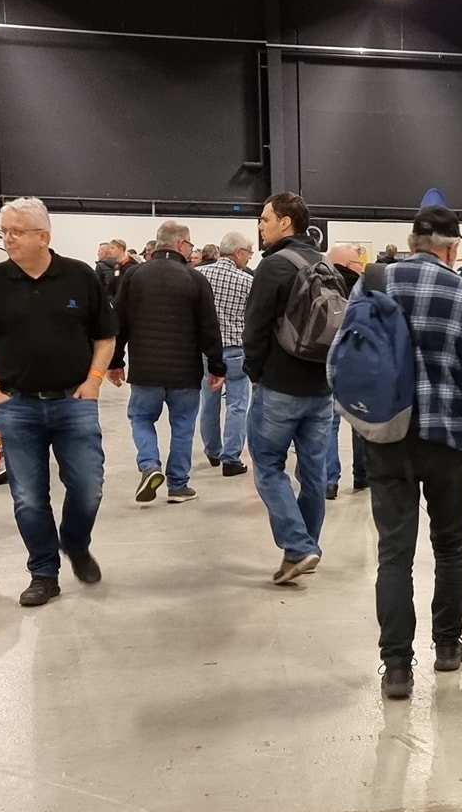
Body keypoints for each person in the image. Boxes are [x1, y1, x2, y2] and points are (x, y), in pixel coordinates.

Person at [364, 205, 462, 700]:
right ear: (450, 249)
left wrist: (366, 424)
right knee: (450, 545)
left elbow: (341, 363)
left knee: (394, 553)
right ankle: (447, 646)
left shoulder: (374, 285)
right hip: (448, 442)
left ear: (411, 242)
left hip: (386, 439)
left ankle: (397, 667)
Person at [0, 197, 116, 607]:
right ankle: (44, 574)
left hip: (73, 402)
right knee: (28, 498)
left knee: (88, 488)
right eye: (4, 231)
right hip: (18, 406)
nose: (7, 239)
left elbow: (105, 337)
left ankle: (76, 545)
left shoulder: (79, 277)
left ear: (43, 236)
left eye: (16, 232)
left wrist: (94, 381)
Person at [243, 191, 337, 585]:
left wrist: (254, 373)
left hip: (280, 387)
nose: (260, 227)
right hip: (322, 388)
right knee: (314, 473)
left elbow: (255, 327)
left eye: (265, 219)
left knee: (267, 466)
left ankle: (298, 547)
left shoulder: (273, 266)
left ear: (285, 222)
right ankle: (304, 548)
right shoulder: (326, 265)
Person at [108, 220, 224, 505]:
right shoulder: (195, 279)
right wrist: (217, 366)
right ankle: (178, 485)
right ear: (181, 244)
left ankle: (150, 465)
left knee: (141, 418)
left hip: (145, 370)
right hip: (185, 372)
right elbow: (209, 327)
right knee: (183, 426)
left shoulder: (135, 275)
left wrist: (115, 361)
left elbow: (118, 322)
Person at [197, 229, 254, 478]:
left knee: (208, 400)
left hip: (206, 350)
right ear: (238, 253)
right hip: (236, 350)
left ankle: (212, 450)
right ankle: (231, 458)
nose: (249, 258)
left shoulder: (200, 275)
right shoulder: (247, 281)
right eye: (249, 253)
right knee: (237, 404)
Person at [323, 243, 369, 497]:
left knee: (329, 424)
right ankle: (362, 475)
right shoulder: (366, 289)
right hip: (358, 362)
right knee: (360, 419)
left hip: (326, 361)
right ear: (350, 265)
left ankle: (330, 481)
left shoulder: (319, 286)